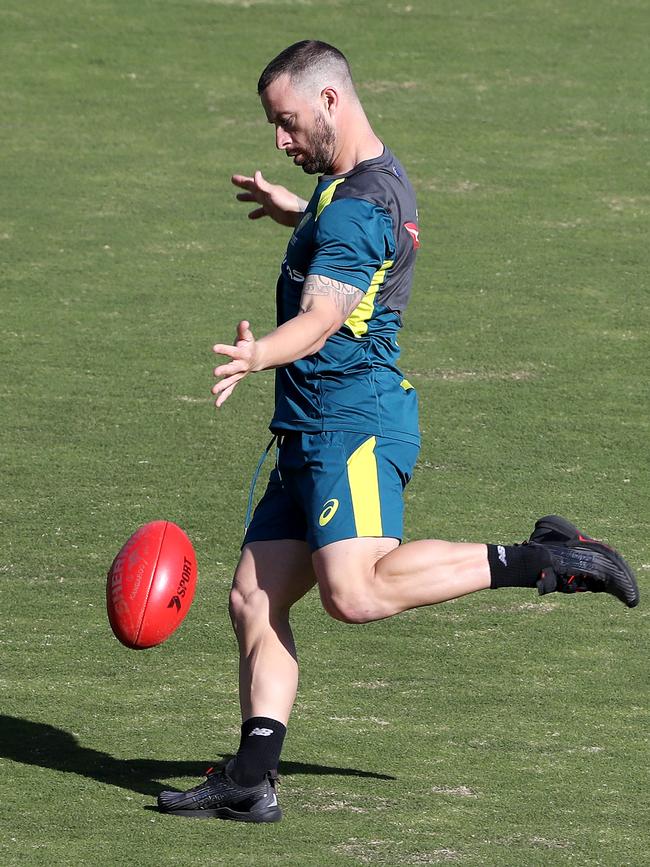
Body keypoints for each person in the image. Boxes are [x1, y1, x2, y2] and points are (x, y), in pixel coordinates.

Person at [157, 41, 639, 823]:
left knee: (355, 590)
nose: (279, 138)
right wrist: (294, 210)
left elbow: (318, 319)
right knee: (254, 595)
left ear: (330, 103)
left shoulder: (353, 208)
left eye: (286, 122)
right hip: (309, 426)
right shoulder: (363, 180)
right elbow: (355, 254)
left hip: (353, 422)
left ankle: (549, 558)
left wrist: (256, 354)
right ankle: (251, 775)